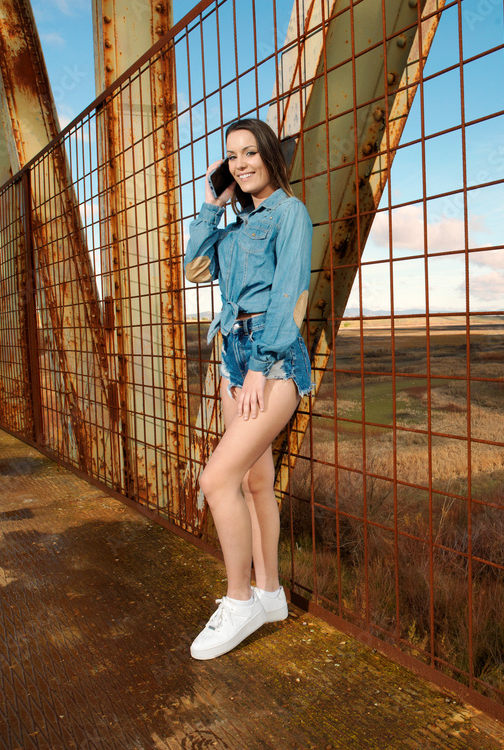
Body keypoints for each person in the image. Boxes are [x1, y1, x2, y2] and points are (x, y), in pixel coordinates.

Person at [183, 118, 313, 660]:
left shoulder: (290, 214)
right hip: (232, 357)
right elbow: (194, 269)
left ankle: (239, 602)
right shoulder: (234, 226)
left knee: (218, 478)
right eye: (232, 156)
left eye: (250, 152)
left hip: (273, 360)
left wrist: (261, 365)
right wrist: (213, 203)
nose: (241, 163)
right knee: (257, 482)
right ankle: (271, 594)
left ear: (269, 156)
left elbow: (291, 293)